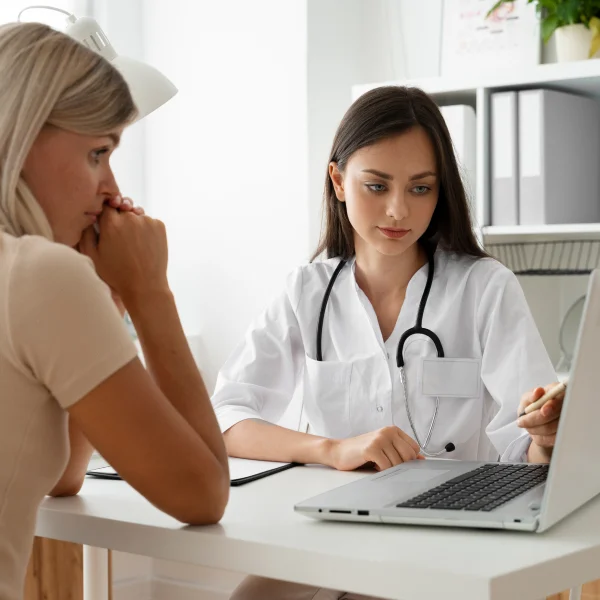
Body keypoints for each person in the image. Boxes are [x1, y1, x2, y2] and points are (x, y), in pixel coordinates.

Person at [211, 86, 563, 600]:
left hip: (448, 537)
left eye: (421, 189)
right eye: (376, 186)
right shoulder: (305, 291)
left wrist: (546, 435)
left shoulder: (485, 288)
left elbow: (523, 447)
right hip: (331, 532)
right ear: (338, 180)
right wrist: (333, 450)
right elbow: (226, 417)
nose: (398, 210)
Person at [0, 22, 229, 600]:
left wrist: (106, 299)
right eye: (98, 152)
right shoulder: (39, 277)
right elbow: (203, 496)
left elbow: (61, 476)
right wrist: (151, 294)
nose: (111, 187)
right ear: (21, 135)